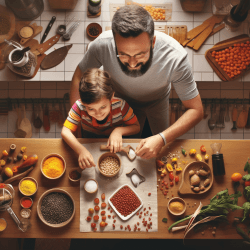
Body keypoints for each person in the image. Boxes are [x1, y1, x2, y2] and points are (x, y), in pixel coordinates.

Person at [70, 5, 203, 160]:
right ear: (114, 42)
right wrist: (78, 118)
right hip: (119, 102)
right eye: (123, 55)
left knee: (159, 153)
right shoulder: (102, 45)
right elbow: (79, 76)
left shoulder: (175, 57)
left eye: (140, 54)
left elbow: (196, 110)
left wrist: (162, 138)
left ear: (153, 42)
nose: (132, 64)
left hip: (157, 102)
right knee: (120, 155)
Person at [61, 68, 140, 169]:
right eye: (91, 109)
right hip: (89, 143)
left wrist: (118, 131)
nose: (98, 113)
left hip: (117, 145)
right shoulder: (79, 106)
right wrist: (81, 150)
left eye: (103, 107)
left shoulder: (121, 106)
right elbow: (65, 131)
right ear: (83, 102)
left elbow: (136, 127)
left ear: (111, 97)